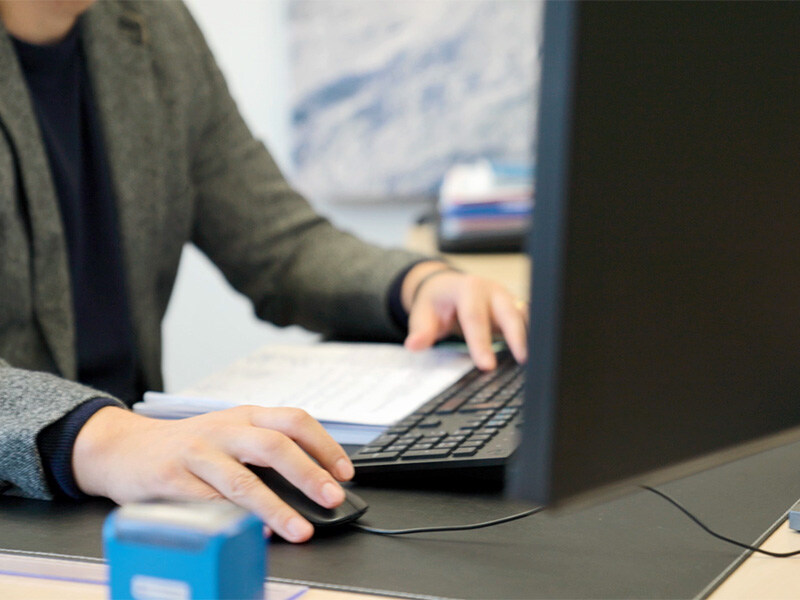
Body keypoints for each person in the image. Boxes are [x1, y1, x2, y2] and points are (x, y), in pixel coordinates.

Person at [0, 0, 528, 543]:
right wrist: (98, 438)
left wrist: (413, 287)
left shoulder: (151, 23)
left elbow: (276, 240)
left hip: (142, 490)